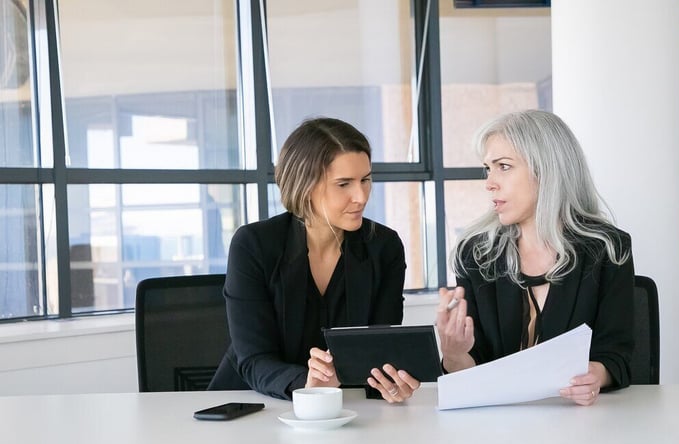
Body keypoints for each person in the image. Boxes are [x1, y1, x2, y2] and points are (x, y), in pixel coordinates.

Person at [209, 117, 420, 403]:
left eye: (366, 180)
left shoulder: (383, 247)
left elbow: (377, 352)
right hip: (254, 404)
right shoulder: (254, 245)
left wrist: (391, 382)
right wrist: (306, 383)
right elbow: (254, 359)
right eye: (343, 184)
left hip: (342, 408)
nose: (361, 196)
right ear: (305, 185)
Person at [436, 109, 634, 406]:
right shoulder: (475, 255)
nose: (489, 182)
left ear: (547, 170)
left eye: (503, 166)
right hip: (498, 429)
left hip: (581, 424)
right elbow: (473, 375)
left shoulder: (608, 248)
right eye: (487, 169)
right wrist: (453, 353)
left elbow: (617, 354)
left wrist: (595, 374)